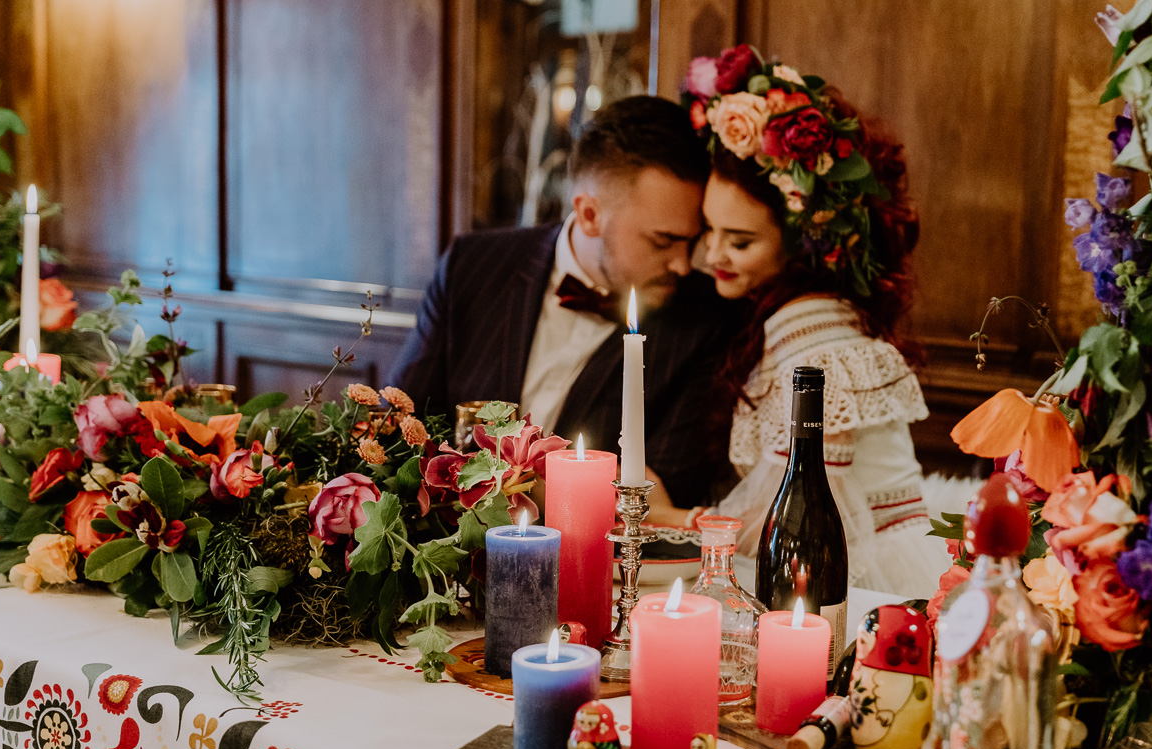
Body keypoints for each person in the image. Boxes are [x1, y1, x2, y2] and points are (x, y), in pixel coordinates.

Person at [647, 47, 946, 596]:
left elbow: (792, 516)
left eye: (740, 241)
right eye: (709, 230)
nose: (713, 254)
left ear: (801, 244)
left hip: (875, 580)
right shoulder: (792, 315)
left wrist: (669, 515)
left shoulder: (814, 335)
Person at [389, 96, 739, 507]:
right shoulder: (473, 266)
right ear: (589, 214)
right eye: (663, 241)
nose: (684, 264)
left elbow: (660, 497)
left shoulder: (705, 319)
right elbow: (397, 427)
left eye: (693, 239)